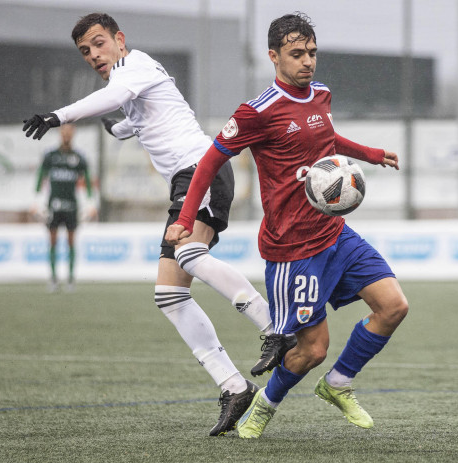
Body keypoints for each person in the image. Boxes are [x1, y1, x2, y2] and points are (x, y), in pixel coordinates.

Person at [21, 12, 296, 436]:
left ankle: (274, 325)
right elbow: (136, 115)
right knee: (169, 294)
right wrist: (121, 128)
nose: (94, 54)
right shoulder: (131, 80)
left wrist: (58, 116)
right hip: (189, 179)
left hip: (199, 170)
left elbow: (113, 99)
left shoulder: (137, 66)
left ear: (119, 39)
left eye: (99, 43)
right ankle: (234, 386)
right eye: (85, 51)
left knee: (188, 254)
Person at [165, 12, 409, 438]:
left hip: (335, 235)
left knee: (393, 307)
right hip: (293, 250)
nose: (308, 61)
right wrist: (185, 218)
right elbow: (210, 161)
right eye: (297, 54)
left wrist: (370, 154)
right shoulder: (256, 112)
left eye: (312, 52)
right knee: (311, 350)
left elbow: (328, 138)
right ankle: (265, 404)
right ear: (273, 56)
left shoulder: (321, 94)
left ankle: (338, 384)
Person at [31, 123, 97, 293]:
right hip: (53, 205)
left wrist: (90, 203)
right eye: (64, 132)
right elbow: (41, 177)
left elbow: (88, 181)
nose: (66, 135)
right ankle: (53, 279)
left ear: (73, 134)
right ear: (60, 134)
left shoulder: (78, 157)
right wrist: (36, 201)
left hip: (71, 205)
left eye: (69, 132)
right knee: (52, 241)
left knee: (71, 241)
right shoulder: (51, 156)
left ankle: (70, 279)